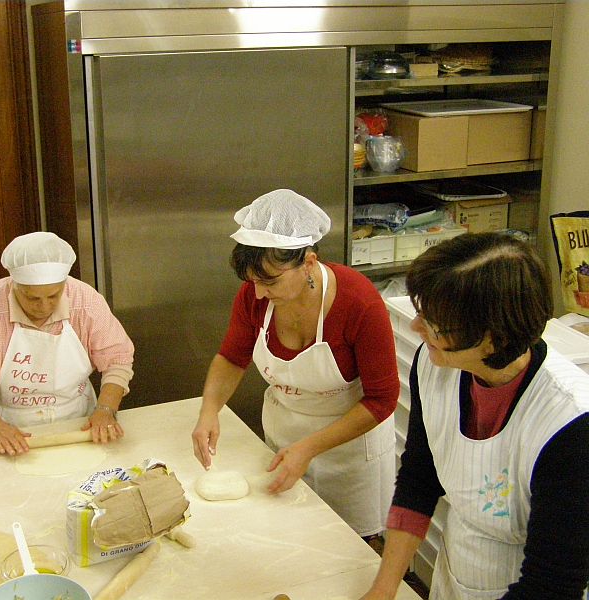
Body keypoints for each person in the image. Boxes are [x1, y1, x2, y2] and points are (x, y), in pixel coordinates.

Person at [360, 232, 589, 600]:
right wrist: (383, 590)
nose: (416, 328)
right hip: (458, 572)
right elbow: (421, 475)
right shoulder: (435, 366)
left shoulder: (569, 426)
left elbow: (552, 585)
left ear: (492, 339)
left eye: (433, 323)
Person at [191, 189, 399, 540]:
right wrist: (209, 411)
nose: (257, 293)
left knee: (350, 550)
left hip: (349, 454)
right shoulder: (255, 296)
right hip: (283, 439)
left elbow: (383, 398)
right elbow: (232, 357)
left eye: (269, 281)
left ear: (309, 263)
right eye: (252, 282)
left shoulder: (358, 302)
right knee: (291, 541)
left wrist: (310, 447)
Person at [0, 231, 135, 455]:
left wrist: (106, 409)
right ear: (14, 285)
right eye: (32, 298)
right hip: (8, 427)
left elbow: (118, 360)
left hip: (78, 422)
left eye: (54, 296)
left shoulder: (85, 302)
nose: (44, 307)